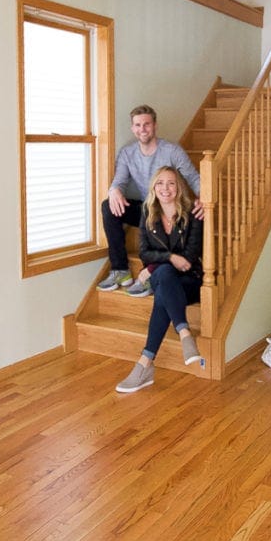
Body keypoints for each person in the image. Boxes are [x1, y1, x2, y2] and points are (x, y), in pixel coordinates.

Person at [115, 167, 204, 393]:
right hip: (164, 278)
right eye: (160, 183)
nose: (166, 188)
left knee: (163, 290)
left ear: (179, 187)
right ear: (154, 187)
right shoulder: (148, 212)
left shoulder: (192, 213)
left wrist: (156, 266)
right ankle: (184, 333)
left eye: (171, 183)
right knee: (164, 275)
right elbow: (144, 253)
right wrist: (169, 258)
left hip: (189, 280)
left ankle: (144, 364)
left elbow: (190, 256)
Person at [97, 105, 203, 291]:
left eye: (147, 124)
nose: (142, 129)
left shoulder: (172, 151)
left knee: (169, 218)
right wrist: (114, 190)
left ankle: (153, 273)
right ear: (132, 128)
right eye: (138, 125)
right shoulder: (127, 153)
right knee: (108, 206)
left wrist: (205, 198)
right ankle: (120, 269)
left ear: (155, 125)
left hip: (169, 210)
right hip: (147, 210)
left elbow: (194, 178)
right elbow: (119, 182)